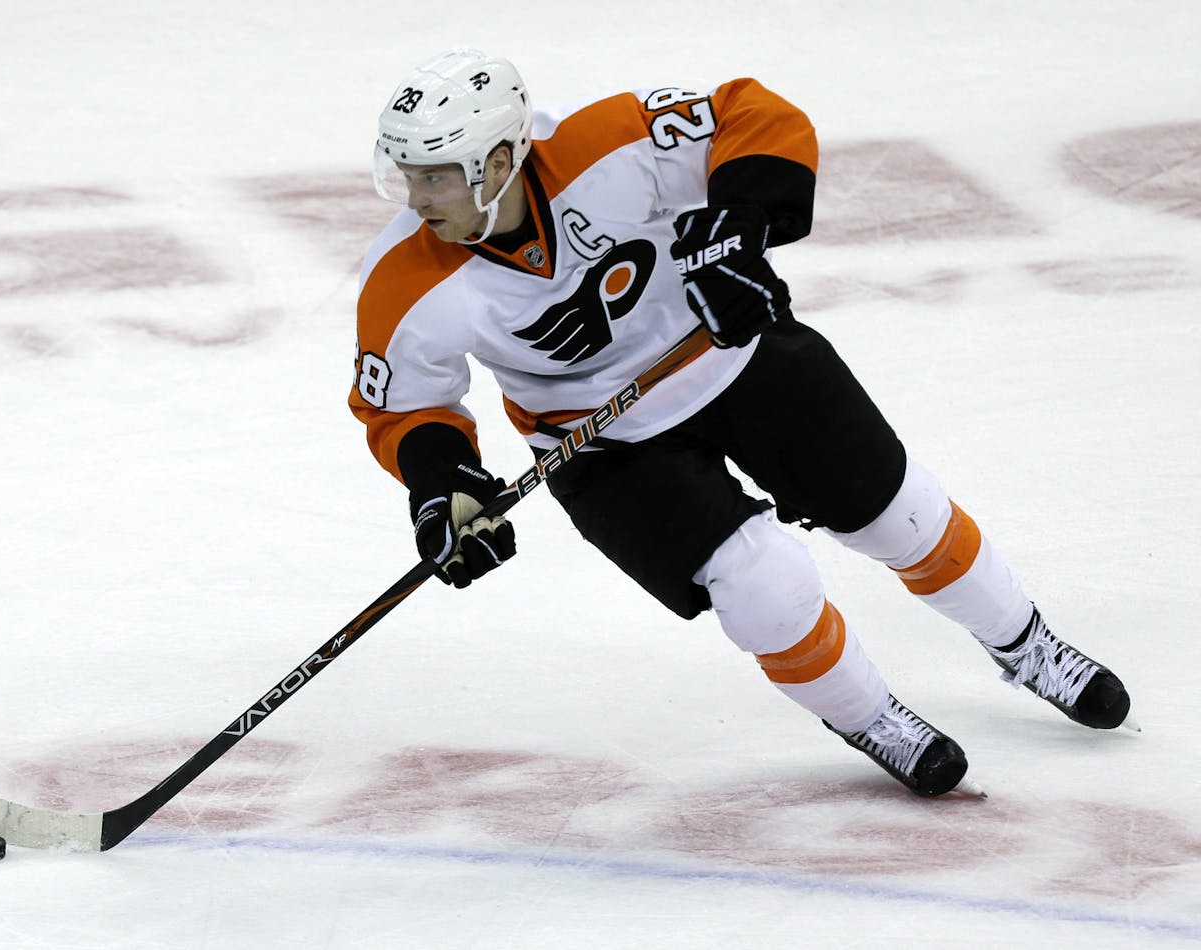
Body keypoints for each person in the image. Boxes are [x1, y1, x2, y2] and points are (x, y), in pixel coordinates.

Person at [348, 48, 1134, 796]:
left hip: (730, 354)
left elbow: (751, 114)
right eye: (406, 177)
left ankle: (1026, 643)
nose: (415, 200)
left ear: (495, 163)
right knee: (762, 582)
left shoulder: (606, 142)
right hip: (600, 440)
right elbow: (407, 404)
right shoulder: (402, 280)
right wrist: (439, 485)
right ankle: (870, 718)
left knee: (899, 516)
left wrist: (740, 225)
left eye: (433, 178)